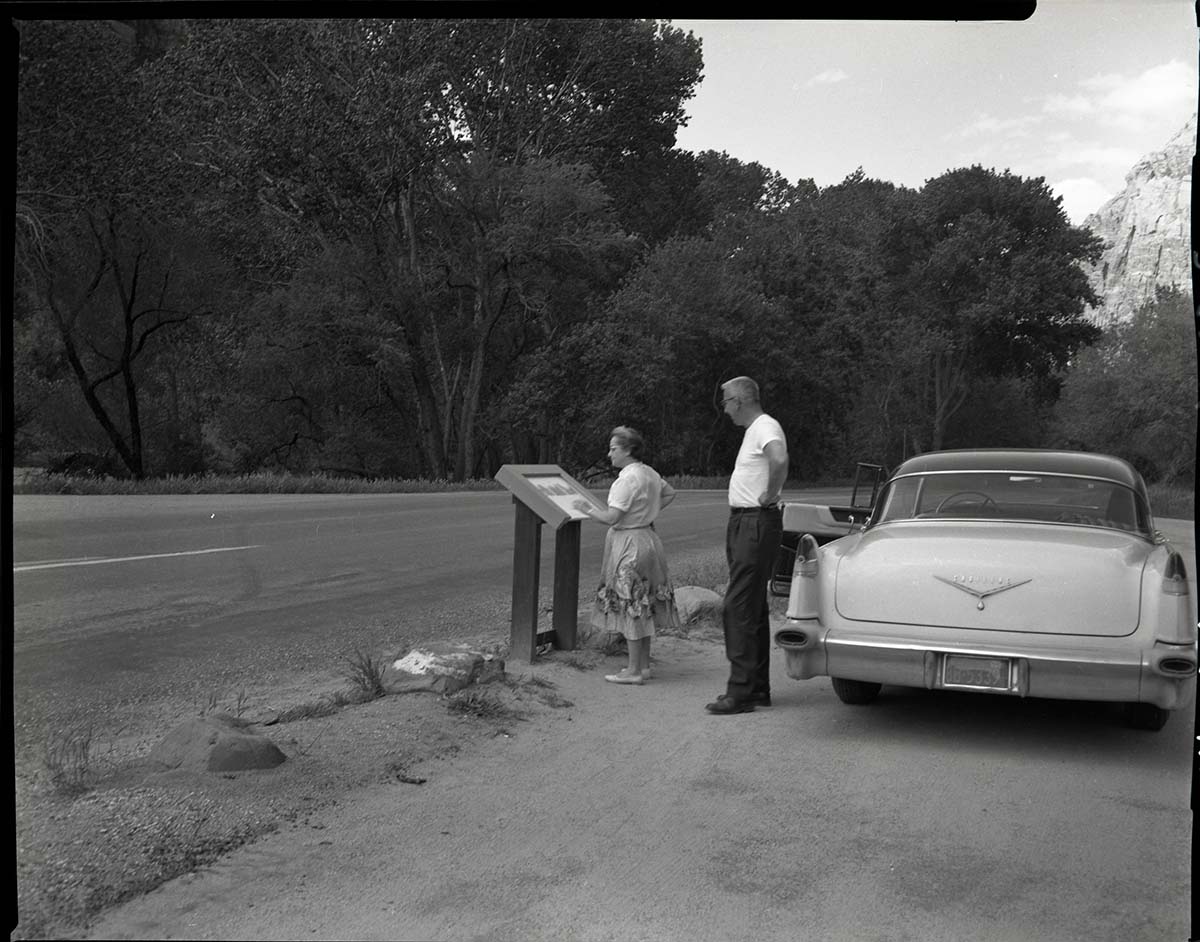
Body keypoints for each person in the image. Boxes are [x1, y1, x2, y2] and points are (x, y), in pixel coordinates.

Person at [573, 426, 681, 685]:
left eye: (614, 449)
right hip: (648, 538)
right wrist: (649, 513)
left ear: (628, 450)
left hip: (629, 543)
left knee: (631, 603)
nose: (610, 454)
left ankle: (633, 670)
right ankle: (643, 666)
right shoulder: (649, 473)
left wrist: (586, 509)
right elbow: (670, 492)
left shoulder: (626, 480)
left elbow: (612, 517)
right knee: (644, 604)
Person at [707, 376, 789, 715]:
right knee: (751, 607)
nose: (724, 409)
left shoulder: (764, 426)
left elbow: (779, 459)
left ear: (739, 400)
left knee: (736, 607)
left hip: (755, 521)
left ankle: (739, 692)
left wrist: (770, 494)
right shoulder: (754, 430)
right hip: (747, 521)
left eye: (726, 401)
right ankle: (757, 689)